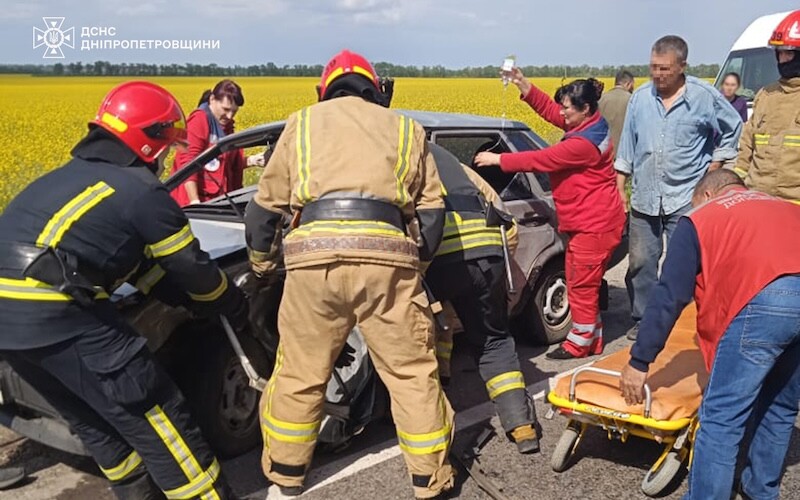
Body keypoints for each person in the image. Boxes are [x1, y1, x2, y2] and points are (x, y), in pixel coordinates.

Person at [0, 81, 250, 499]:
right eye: (167, 145)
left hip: (10, 329)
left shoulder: (65, 179)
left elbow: (136, 268)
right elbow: (193, 269)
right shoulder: (141, 191)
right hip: (59, 313)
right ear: (148, 141)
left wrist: (175, 295)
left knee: (97, 427)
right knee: (158, 416)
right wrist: (232, 304)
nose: (169, 156)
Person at [244, 49, 454, 499]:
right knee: (412, 373)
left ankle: (286, 474)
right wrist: (416, 266)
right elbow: (433, 213)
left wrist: (263, 265)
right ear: (375, 89)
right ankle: (429, 480)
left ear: (325, 90)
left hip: (311, 264)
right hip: (388, 261)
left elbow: (262, 212)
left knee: (300, 371)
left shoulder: (300, 124)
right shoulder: (405, 128)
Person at [619, 169, 800, 500]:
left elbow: (669, 295)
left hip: (764, 299)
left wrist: (640, 359)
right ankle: (761, 491)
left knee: (721, 420)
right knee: (780, 407)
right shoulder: (785, 207)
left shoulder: (702, 216)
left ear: (705, 194)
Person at [475, 70, 626, 360]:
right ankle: (591, 336)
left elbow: (542, 159)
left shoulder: (583, 144)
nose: (562, 113)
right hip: (592, 221)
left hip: (594, 224)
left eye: (567, 108)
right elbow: (551, 113)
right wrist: (524, 85)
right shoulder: (591, 124)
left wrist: (498, 159)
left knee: (581, 284)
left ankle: (578, 344)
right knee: (583, 282)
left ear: (585, 109)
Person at [614, 35, 742, 341]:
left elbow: (733, 127)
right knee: (641, 263)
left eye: (664, 69)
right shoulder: (641, 98)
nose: (657, 74)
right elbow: (627, 145)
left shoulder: (702, 96)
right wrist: (620, 185)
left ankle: (690, 322)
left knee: (687, 263)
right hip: (645, 196)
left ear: (682, 66)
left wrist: (716, 164)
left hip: (686, 196)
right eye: (653, 67)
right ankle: (644, 318)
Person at [425, 143, 541, 454]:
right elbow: (504, 219)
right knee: (494, 340)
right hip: (489, 250)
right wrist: (497, 274)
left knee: (421, 336)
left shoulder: (392, 161)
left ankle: (434, 409)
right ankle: (522, 426)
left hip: (439, 256)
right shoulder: (455, 165)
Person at [734, 9, 800, 203]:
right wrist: (737, 187)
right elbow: (746, 147)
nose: (781, 60)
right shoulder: (766, 95)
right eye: (779, 53)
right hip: (759, 202)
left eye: (788, 53)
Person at [170, 79, 265, 207]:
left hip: (219, 200)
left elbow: (225, 164)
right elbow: (188, 163)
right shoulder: (199, 120)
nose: (230, 116)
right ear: (212, 99)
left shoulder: (227, 126)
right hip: (198, 201)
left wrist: (252, 161)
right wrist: (194, 202)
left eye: (234, 111)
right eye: (225, 109)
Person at [598, 69, 635, 158]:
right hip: (625, 155)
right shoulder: (633, 100)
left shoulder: (601, 99)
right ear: (628, 84)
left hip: (604, 154)